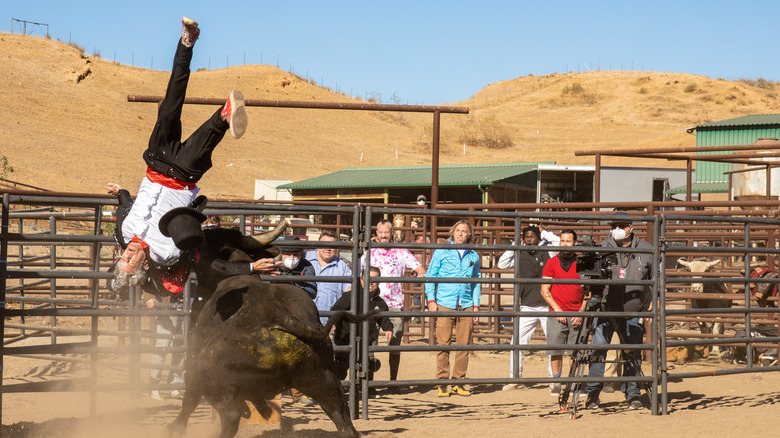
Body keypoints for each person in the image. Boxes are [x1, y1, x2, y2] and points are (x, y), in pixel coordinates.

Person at [105, 16, 248, 295]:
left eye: (123, 258)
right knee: (209, 135)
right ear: (144, 266)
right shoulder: (166, 253)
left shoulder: (124, 232)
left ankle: (187, 41)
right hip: (182, 177)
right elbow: (190, 239)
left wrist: (121, 191)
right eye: (130, 261)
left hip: (158, 161)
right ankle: (226, 114)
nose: (127, 255)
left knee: (171, 103)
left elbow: (126, 206)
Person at [585, 211, 652, 411]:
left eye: (621, 226)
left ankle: (632, 394)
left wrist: (653, 302)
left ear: (631, 227)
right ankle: (592, 394)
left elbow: (655, 278)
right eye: (614, 226)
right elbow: (590, 276)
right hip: (606, 308)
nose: (617, 229)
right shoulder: (602, 248)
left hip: (634, 310)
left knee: (632, 352)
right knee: (598, 350)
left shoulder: (646, 250)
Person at [361, 219, 426, 389]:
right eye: (381, 232)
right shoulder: (369, 252)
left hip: (394, 303)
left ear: (392, 233)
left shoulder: (401, 252)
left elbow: (419, 268)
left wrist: (419, 274)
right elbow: (358, 272)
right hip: (373, 302)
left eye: (387, 232)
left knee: (395, 343)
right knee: (370, 341)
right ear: (376, 234)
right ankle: (370, 383)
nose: (384, 235)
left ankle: (393, 381)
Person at [425, 219, 481, 397]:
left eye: (464, 231)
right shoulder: (442, 252)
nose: (460, 233)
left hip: (466, 304)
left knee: (463, 345)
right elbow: (430, 275)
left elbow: (476, 282)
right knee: (443, 344)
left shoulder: (473, 255)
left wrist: (476, 305)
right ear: (453, 232)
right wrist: (431, 300)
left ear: (469, 234)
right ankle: (442, 382)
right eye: (458, 230)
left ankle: (458, 382)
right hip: (445, 303)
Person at [497, 225, 552, 390]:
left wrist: (546, 234)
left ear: (538, 237)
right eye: (526, 237)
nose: (529, 239)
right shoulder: (519, 253)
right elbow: (502, 264)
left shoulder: (549, 251)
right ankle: (515, 378)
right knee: (517, 342)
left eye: (532, 236)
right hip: (527, 305)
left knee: (553, 342)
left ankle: (554, 379)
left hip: (547, 305)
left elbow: (557, 242)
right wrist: (515, 244)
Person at [327, 266, 393, 395]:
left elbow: (383, 317)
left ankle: (366, 387)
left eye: (375, 279)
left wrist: (388, 328)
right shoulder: (351, 296)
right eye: (368, 278)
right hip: (346, 336)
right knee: (341, 364)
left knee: (367, 363)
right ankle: (335, 389)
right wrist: (333, 323)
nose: (371, 282)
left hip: (367, 338)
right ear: (362, 280)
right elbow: (337, 308)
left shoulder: (379, 302)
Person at [540, 229, 586, 397]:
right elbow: (544, 290)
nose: (565, 244)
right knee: (556, 349)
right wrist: (557, 310)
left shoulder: (582, 263)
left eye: (568, 241)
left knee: (576, 350)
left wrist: (581, 311)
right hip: (557, 312)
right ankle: (556, 381)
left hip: (577, 312)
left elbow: (588, 290)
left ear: (575, 242)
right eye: (563, 241)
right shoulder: (552, 263)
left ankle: (574, 382)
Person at [306, 230, 352, 325]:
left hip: (328, 325)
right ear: (318, 245)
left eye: (332, 245)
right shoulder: (305, 259)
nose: (328, 249)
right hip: (304, 320)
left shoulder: (342, 266)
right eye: (325, 244)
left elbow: (349, 291)